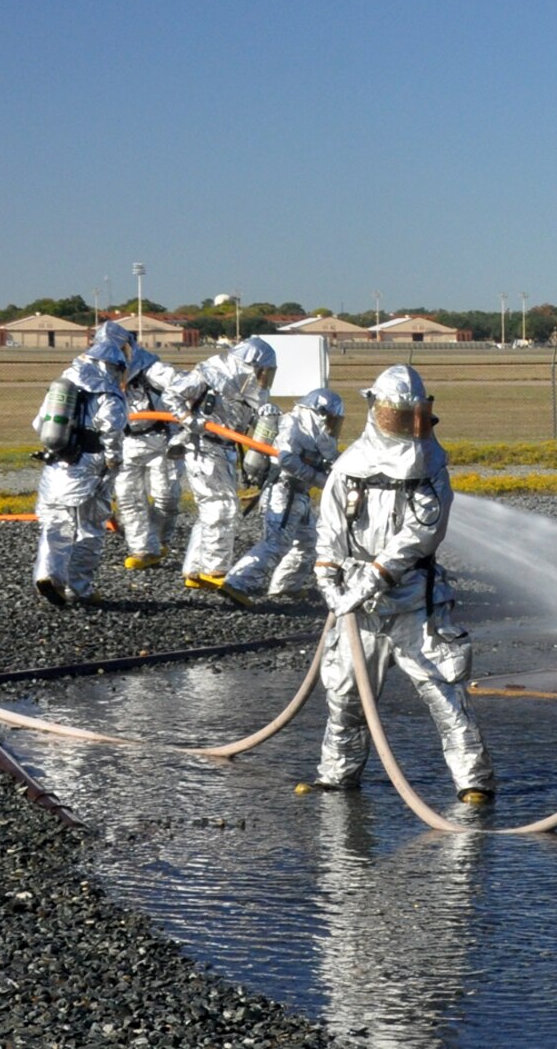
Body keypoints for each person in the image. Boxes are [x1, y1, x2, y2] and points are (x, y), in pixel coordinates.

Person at [302, 365, 492, 803]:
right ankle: (337, 777)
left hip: (414, 603)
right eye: (394, 414)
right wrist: (327, 576)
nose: (401, 424)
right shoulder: (349, 467)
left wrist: (372, 578)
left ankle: (473, 782)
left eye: (408, 415)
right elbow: (330, 526)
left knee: (443, 692)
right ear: (376, 411)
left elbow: (420, 535)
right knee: (347, 696)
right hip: (357, 610)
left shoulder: (430, 468)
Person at [165, 337, 277, 592]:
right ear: (246, 366)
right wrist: (190, 420)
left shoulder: (249, 393)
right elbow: (172, 395)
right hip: (202, 445)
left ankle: (194, 569)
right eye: (260, 372)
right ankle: (214, 570)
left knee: (210, 511)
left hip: (223, 449)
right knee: (222, 508)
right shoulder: (209, 374)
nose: (262, 379)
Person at [32, 326, 131, 606]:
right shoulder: (109, 394)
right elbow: (112, 429)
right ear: (113, 366)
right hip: (90, 467)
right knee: (90, 527)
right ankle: (79, 587)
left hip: (56, 465)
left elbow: (38, 424)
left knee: (56, 523)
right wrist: (113, 459)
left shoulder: (62, 387)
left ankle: (48, 574)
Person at [219, 388, 343, 606]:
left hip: (299, 495)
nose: (334, 426)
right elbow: (286, 459)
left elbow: (332, 460)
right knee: (276, 544)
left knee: (309, 543)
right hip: (282, 492)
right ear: (319, 413)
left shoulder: (317, 434)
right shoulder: (292, 426)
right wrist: (320, 480)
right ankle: (236, 582)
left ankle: (285, 586)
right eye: (332, 420)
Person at [115, 341, 185, 571]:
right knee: (128, 497)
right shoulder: (102, 374)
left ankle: (158, 541)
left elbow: (187, 386)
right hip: (126, 442)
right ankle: (143, 549)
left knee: (166, 497)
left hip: (162, 440)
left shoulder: (155, 370)